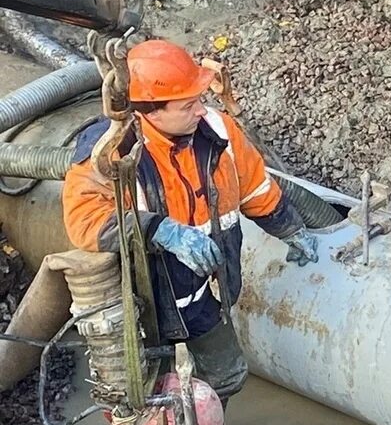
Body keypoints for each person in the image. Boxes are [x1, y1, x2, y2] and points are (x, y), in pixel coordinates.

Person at [62, 39, 318, 404]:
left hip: (206, 292)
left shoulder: (219, 131)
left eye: (199, 98)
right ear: (151, 112)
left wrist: (290, 228)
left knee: (226, 377)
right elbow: (84, 219)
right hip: (144, 301)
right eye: (188, 104)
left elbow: (255, 187)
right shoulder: (111, 150)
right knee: (147, 394)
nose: (201, 110)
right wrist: (160, 230)